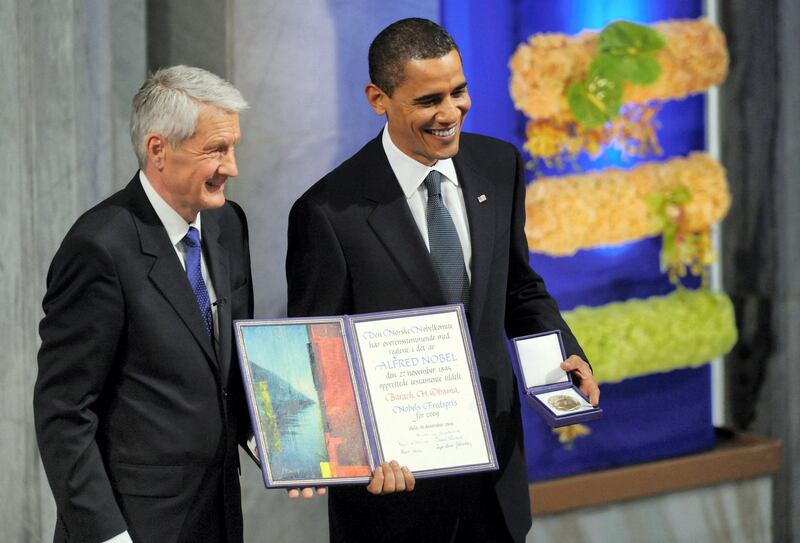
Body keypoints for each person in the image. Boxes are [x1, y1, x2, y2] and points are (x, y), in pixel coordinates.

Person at [286, 18, 600, 542]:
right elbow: (320, 356)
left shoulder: (499, 166)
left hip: (495, 481)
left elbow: (518, 288)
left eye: (459, 91)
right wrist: (359, 453)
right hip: (394, 499)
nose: (451, 113)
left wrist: (563, 358)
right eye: (429, 100)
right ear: (377, 98)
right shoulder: (327, 212)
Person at [34, 65, 254, 543]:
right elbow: (64, 411)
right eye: (216, 149)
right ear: (159, 149)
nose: (232, 167)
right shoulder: (99, 247)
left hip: (217, 517)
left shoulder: (227, 225)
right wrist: (108, 536)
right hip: (136, 526)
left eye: (232, 147)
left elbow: (234, 371)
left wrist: (291, 447)